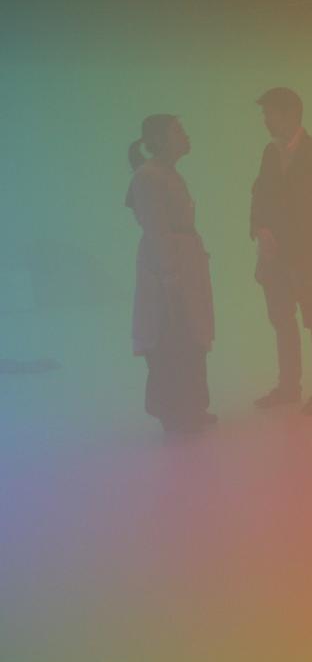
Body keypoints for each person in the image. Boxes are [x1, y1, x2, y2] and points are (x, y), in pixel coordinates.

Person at [126, 115, 215, 436]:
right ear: (161, 139)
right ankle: (174, 413)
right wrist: (170, 274)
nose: (186, 135)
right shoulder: (148, 177)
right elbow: (156, 229)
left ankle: (191, 406)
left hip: (183, 263)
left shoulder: (167, 173)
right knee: (169, 335)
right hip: (167, 268)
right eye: (179, 131)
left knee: (189, 333)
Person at [250, 87, 312, 414]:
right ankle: (289, 388)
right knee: (283, 320)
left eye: (269, 113)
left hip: (304, 256)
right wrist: (260, 229)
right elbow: (258, 194)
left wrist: (279, 241)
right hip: (275, 257)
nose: (265, 120)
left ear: (289, 114)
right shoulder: (270, 153)